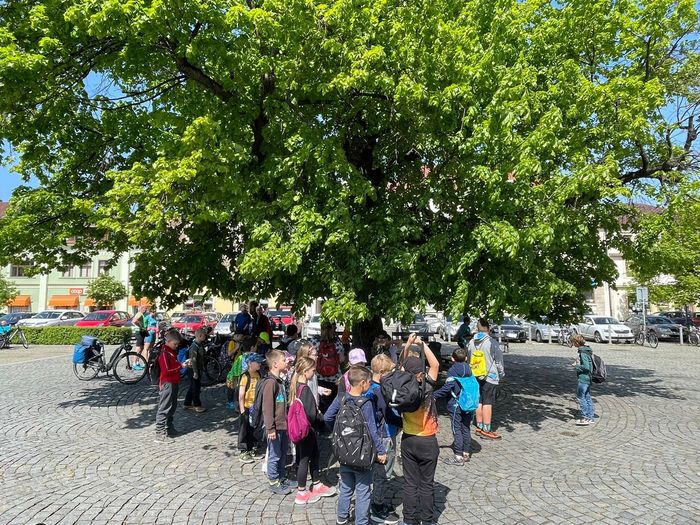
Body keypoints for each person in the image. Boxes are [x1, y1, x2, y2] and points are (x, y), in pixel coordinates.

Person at [331, 365, 387, 525]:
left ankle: (341, 518)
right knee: (363, 490)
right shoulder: (366, 403)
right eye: (369, 382)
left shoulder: (341, 398)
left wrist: (339, 435)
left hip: (344, 451)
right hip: (362, 453)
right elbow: (372, 430)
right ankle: (361, 522)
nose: (370, 384)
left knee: (346, 487)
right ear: (362, 383)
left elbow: (328, 417)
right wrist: (381, 451)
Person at [399, 334, 440, 525]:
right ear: (422, 372)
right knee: (426, 484)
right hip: (427, 439)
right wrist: (422, 344)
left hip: (408, 439)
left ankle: (408, 520)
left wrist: (407, 345)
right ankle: (427, 520)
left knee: (410, 483)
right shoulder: (427, 386)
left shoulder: (402, 388)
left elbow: (401, 365)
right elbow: (435, 364)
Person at [289, 356, 337, 505]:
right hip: (307, 430)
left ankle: (316, 484)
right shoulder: (305, 390)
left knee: (315, 455)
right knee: (304, 460)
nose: (314, 373)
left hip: (303, 429)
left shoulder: (296, 387)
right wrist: (321, 421)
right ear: (305, 371)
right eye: (312, 370)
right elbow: (311, 414)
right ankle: (301, 492)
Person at [369, 354, 402, 525]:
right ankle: (377, 506)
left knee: (378, 473)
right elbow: (388, 414)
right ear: (381, 372)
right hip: (385, 435)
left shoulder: (369, 386)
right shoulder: (380, 391)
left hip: (379, 434)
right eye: (389, 372)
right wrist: (402, 422)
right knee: (383, 473)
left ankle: (376, 500)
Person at [432, 347, 473, 465]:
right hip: (468, 403)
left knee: (457, 428)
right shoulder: (469, 369)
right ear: (466, 358)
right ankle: (466, 452)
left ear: (452, 359)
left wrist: (434, 395)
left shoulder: (453, 370)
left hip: (456, 403)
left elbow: (448, 387)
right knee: (466, 427)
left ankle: (458, 456)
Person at [262, 349, 292, 495]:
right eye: (283, 360)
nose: (286, 362)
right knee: (275, 455)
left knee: (282, 453)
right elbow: (267, 408)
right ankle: (273, 481)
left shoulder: (280, 381)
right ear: (275, 364)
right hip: (275, 427)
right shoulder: (270, 383)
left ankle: (281, 476)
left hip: (282, 425)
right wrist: (270, 428)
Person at [469, 318, 505, 440]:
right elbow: (499, 361)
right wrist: (501, 373)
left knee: (479, 401)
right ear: (488, 328)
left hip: (475, 374)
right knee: (487, 402)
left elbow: (469, 358)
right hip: (490, 376)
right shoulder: (492, 342)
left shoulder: (471, 342)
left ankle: (479, 426)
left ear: (477, 328)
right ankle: (486, 429)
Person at [154, 330, 187, 442]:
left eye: (177, 344)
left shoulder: (171, 352)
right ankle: (160, 433)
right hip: (167, 383)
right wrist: (181, 366)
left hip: (174, 382)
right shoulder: (164, 353)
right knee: (164, 407)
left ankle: (169, 427)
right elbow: (167, 371)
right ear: (168, 341)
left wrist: (181, 365)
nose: (176, 346)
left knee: (172, 406)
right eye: (175, 344)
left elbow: (174, 365)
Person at [238, 352, 266, 462]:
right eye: (257, 362)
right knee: (244, 429)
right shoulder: (245, 376)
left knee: (254, 428)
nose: (260, 364)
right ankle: (243, 450)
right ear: (250, 363)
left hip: (255, 407)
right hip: (246, 407)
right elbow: (241, 395)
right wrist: (242, 410)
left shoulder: (258, 374)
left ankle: (252, 448)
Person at [572, 334, 595, 425]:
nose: (573, 344)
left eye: (573, 342)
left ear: (577, 343)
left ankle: (585, 418)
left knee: (581, 397)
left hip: (584, 378)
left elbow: (586, 367)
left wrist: (576, 366)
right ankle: (590, 417)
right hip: (588, 378)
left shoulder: (583, 353)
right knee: (587, 397)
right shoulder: (587, 350)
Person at [183, 328, 207, 413]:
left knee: (193, 387)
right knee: (196, 388)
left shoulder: (199, 345)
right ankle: (197, 405)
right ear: (200, 336)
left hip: (196, 369)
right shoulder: (194, 346)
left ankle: (187, 403)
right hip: (193, 370)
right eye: (204, 335)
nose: (205, 336)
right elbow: (193, 360)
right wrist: (195, 372)